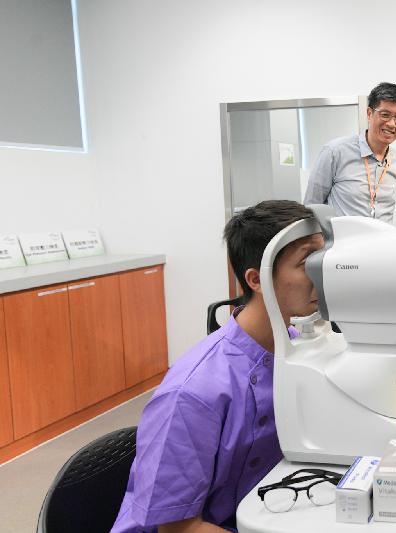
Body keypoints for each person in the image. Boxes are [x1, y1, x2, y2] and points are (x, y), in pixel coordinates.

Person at [111, 200, 323, 533]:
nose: (322, 271)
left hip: (264, 510)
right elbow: (178, 529)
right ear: (257, 279)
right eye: (307, 260)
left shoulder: (295, 346)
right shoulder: (193, 392)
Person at [303, 82, 396, 223]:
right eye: (385, 115)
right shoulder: (335, 152)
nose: (392, 124)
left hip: (385, 238)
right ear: (369, 113)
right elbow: (311, 208)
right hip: (343, 238)